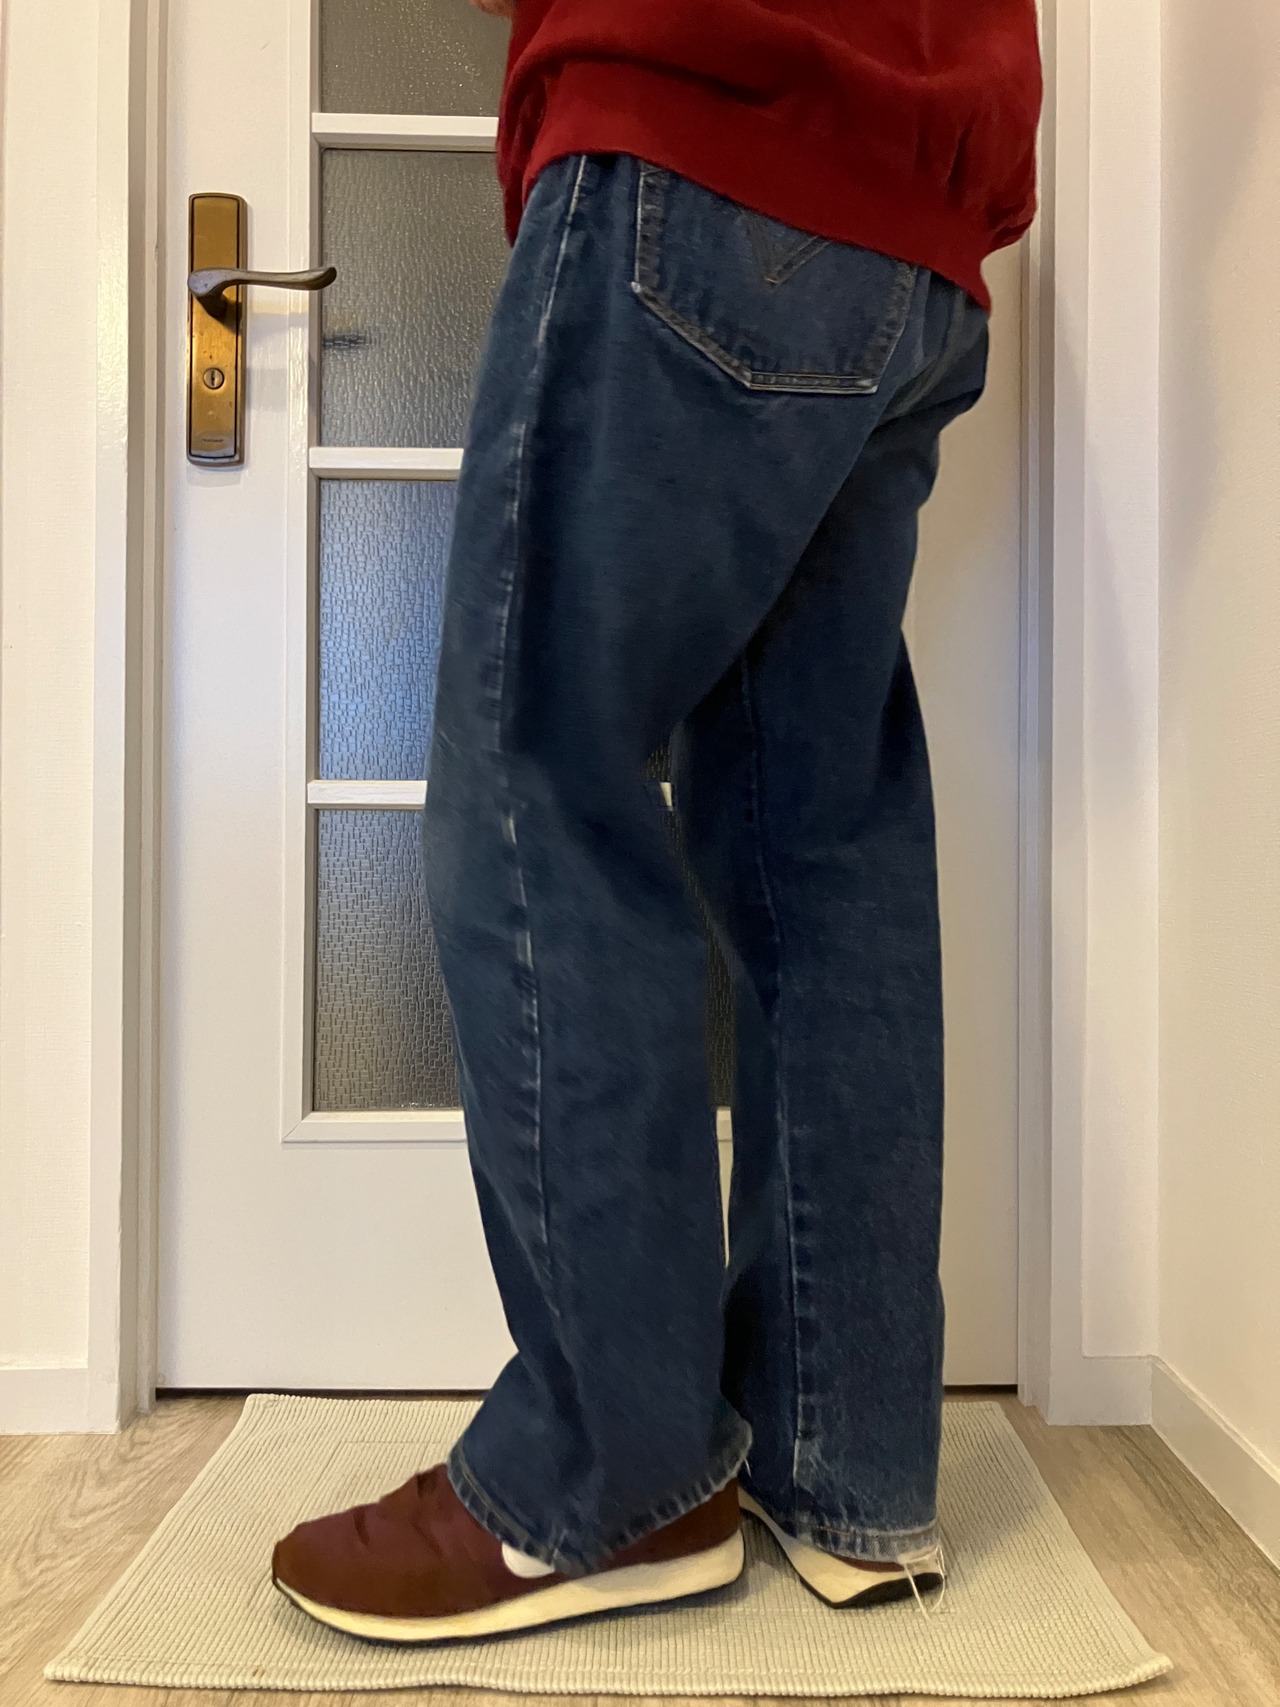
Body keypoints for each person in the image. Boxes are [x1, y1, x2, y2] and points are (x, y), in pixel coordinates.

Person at [272, 0, 1043, 1643]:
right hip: (920, 219)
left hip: (701, 123)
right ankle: (847, 1466)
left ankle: (610, 1479)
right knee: (818, 841)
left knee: (537, 772)